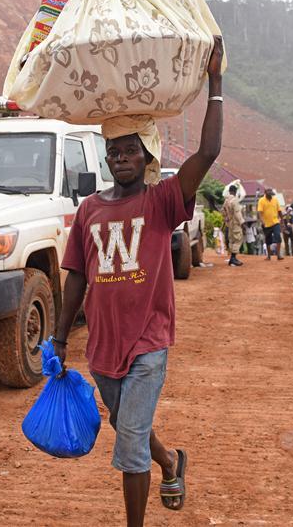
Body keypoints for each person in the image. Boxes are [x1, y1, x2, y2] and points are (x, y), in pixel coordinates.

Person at [53, 37, 224, 526]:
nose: (120, 157)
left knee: (128, 445)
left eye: (130, 150)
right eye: (113, 151)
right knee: (129, 424)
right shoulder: (89, 210)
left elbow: (208, 151)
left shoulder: (162, 201)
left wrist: (215, 80)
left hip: (148, 342)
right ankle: (171, 461)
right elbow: (76, 277)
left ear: (146, 156)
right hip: (102, 348)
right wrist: (61, 336)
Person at [257, 188, 284, 260]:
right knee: (268, 240)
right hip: (266, 224)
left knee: (278, 236)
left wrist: (282, 221)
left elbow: (279, 211)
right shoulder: (261, 200)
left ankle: (278, 255)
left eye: (271, 193)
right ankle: (269, 256)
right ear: (265, 192)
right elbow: (259, 212)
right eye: (269, 192)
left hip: (275, 222)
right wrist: (262, 221)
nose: (270, 194)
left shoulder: (275, 200)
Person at [221, 185, 245, 267]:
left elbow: (223, 211)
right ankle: (233, 258)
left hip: (229, 223)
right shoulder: (234, 200)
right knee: (238, 239)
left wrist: (226, 219)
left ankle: (232, 259)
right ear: (235, 191)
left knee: (231, 240)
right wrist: (242, 223)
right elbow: (237, 213)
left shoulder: (226, 200)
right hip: (236, 223)